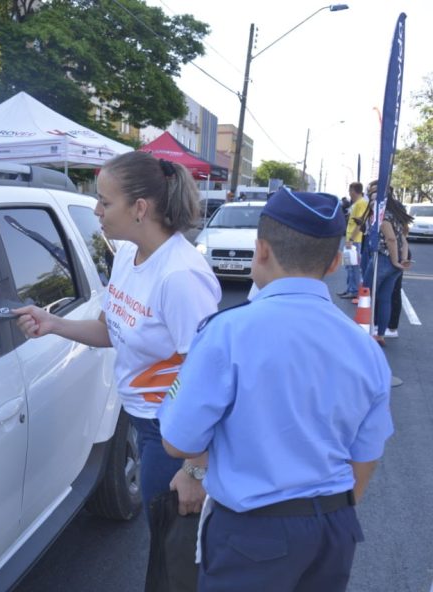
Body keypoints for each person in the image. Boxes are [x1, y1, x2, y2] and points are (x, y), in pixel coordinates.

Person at [159, 188, 393, 592]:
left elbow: (177, 441)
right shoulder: (365, 348)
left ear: (261, 249)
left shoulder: (227, 332)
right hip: (333, 529)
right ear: (336, 262)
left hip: (253, 531)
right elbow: (366, 456)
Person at [14, 151, 221, 526]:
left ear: (139, 208)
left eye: (105, 201)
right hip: (143, 420)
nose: (96, 209)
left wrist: (195, 468)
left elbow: (209, 376)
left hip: (172, 431)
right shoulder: (127, 254)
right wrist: (52, 323)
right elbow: (110, 329)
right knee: (162, 539)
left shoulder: (181, 277)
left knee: (173, 547)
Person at [361, 186, 412, 346]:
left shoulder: (383, 218)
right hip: (394, 264)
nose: (372, 202)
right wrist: (402, 260)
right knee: (384, 299)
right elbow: (403, 240)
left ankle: (365, 332)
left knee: (366, 295)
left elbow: (391, 239)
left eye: (375, 199)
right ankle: (380, 334)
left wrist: (396, 260)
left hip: (383, 259)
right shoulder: (397, 217)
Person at [338, 182, 367, 299]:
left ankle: (354, 290)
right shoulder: (356, 203)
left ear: (353, 191)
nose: (349, 194)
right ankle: (349, 288)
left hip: (354, 240)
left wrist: (351, 239)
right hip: (350, 238)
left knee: (353, 266)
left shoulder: (361, 203)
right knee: (348, 265)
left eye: (350, 191)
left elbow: (359, 224)